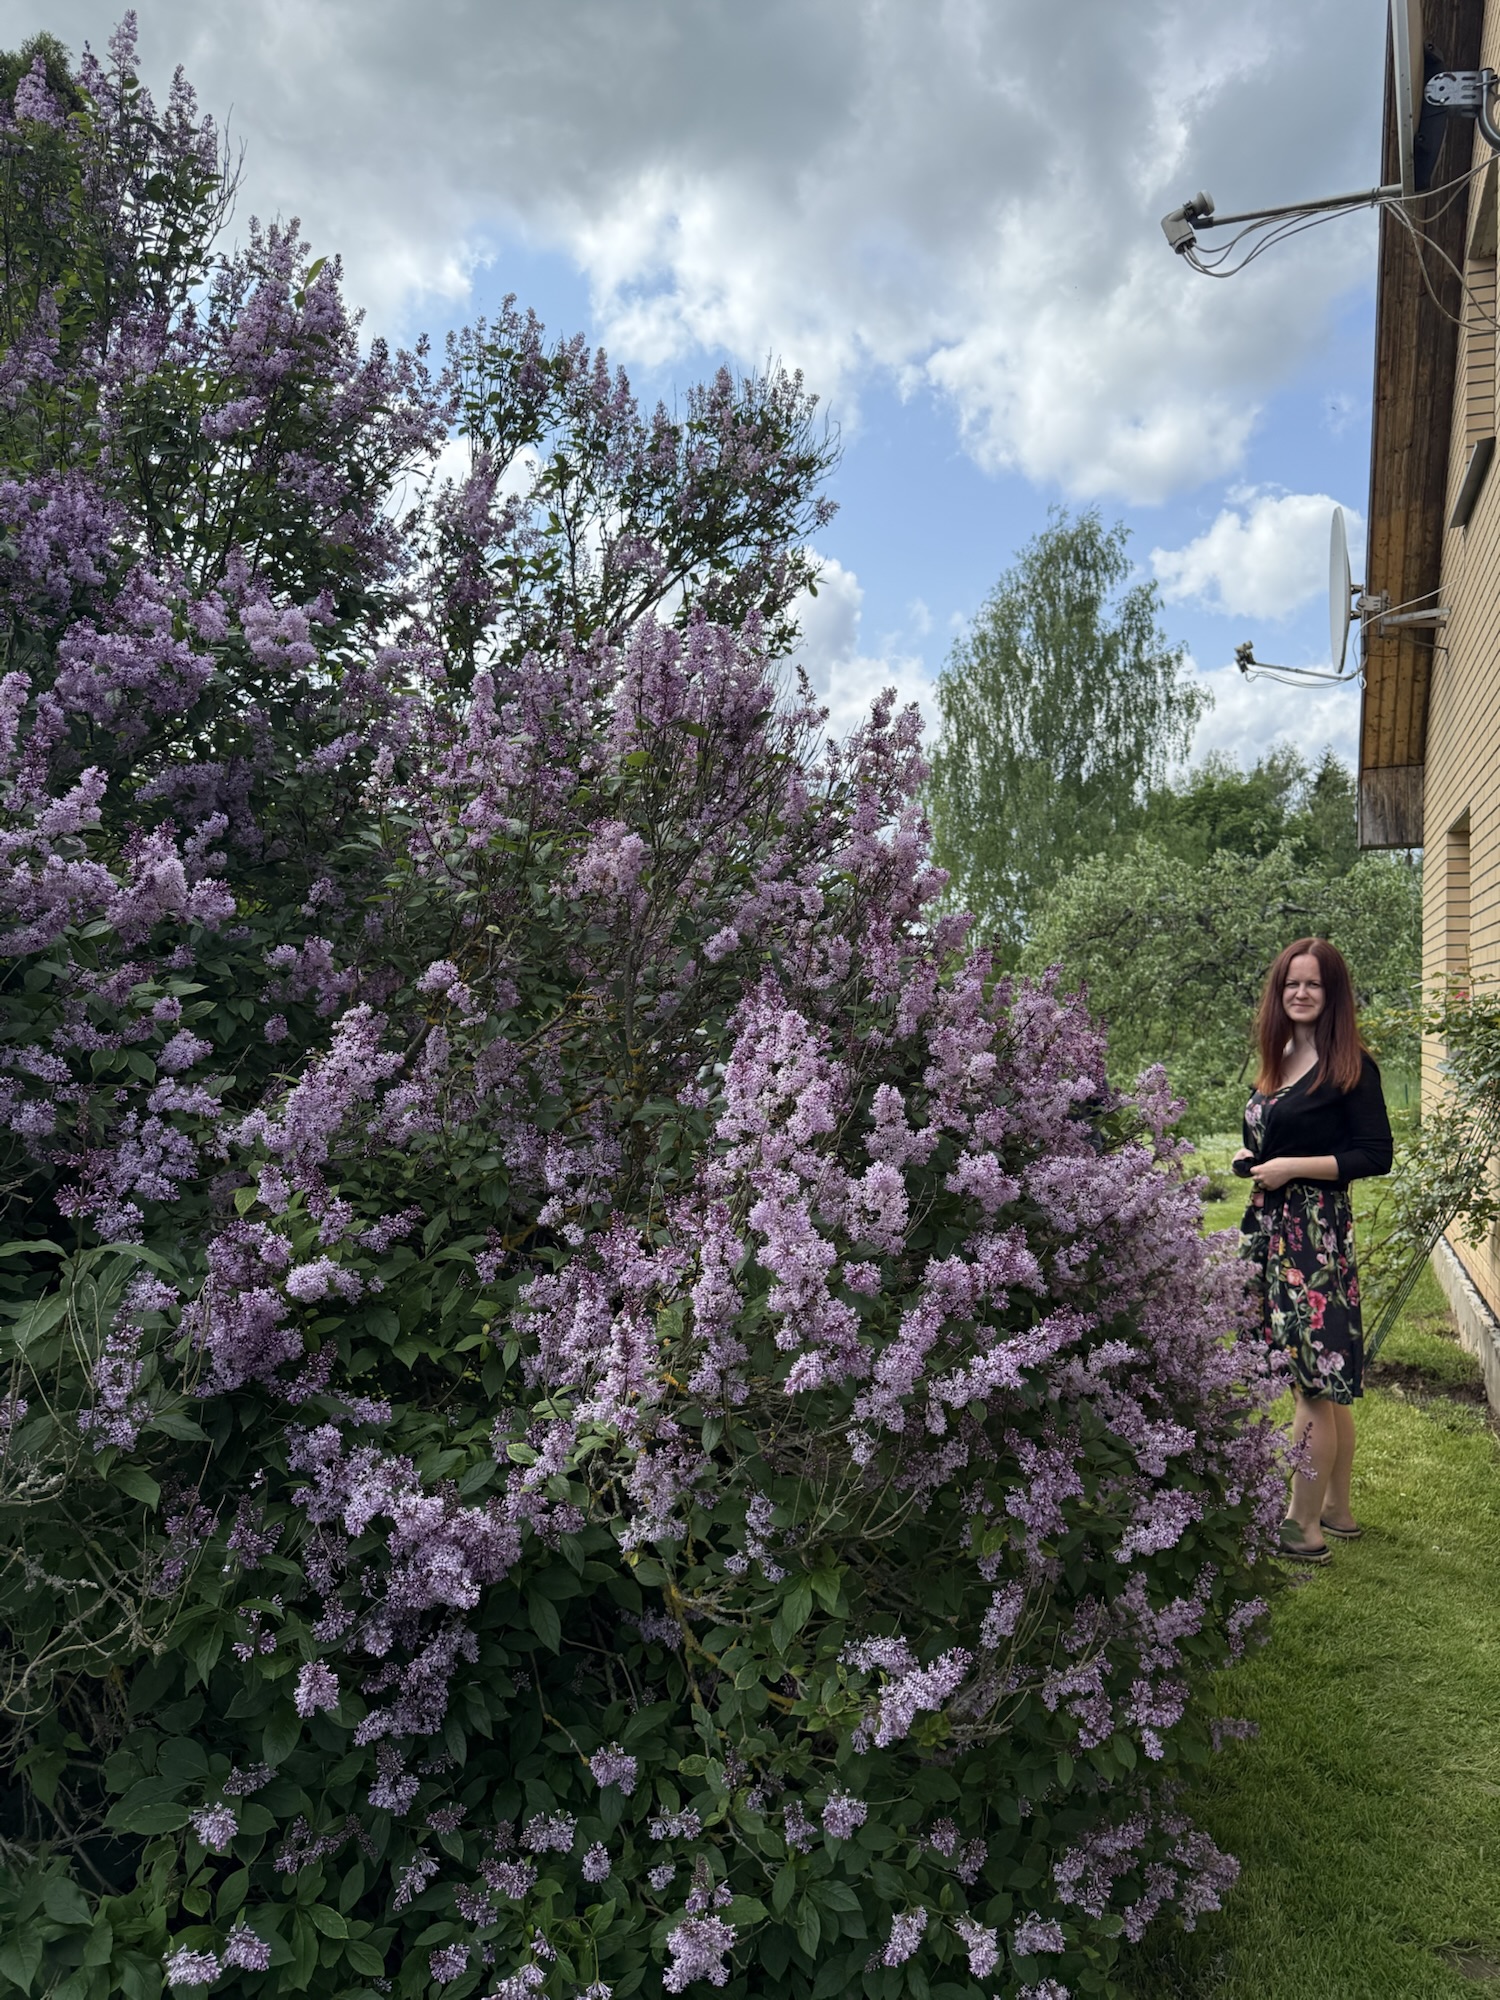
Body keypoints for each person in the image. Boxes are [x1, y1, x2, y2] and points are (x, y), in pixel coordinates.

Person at [1233, 937, 1393, 1563]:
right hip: (1273, 1229)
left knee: (1311, 1382)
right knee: (1322, 1384)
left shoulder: (1350, 1065)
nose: (1300, 993)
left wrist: (1292, 1167)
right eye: (1291, 983)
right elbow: (1273, 1137)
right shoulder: (1280, 1057)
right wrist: (1255, 1159)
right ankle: (1337, 1510)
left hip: (1313, 1239)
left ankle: (1302, 1529)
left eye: (1313, 984)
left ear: (1333, 994)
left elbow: (1374, 1155)